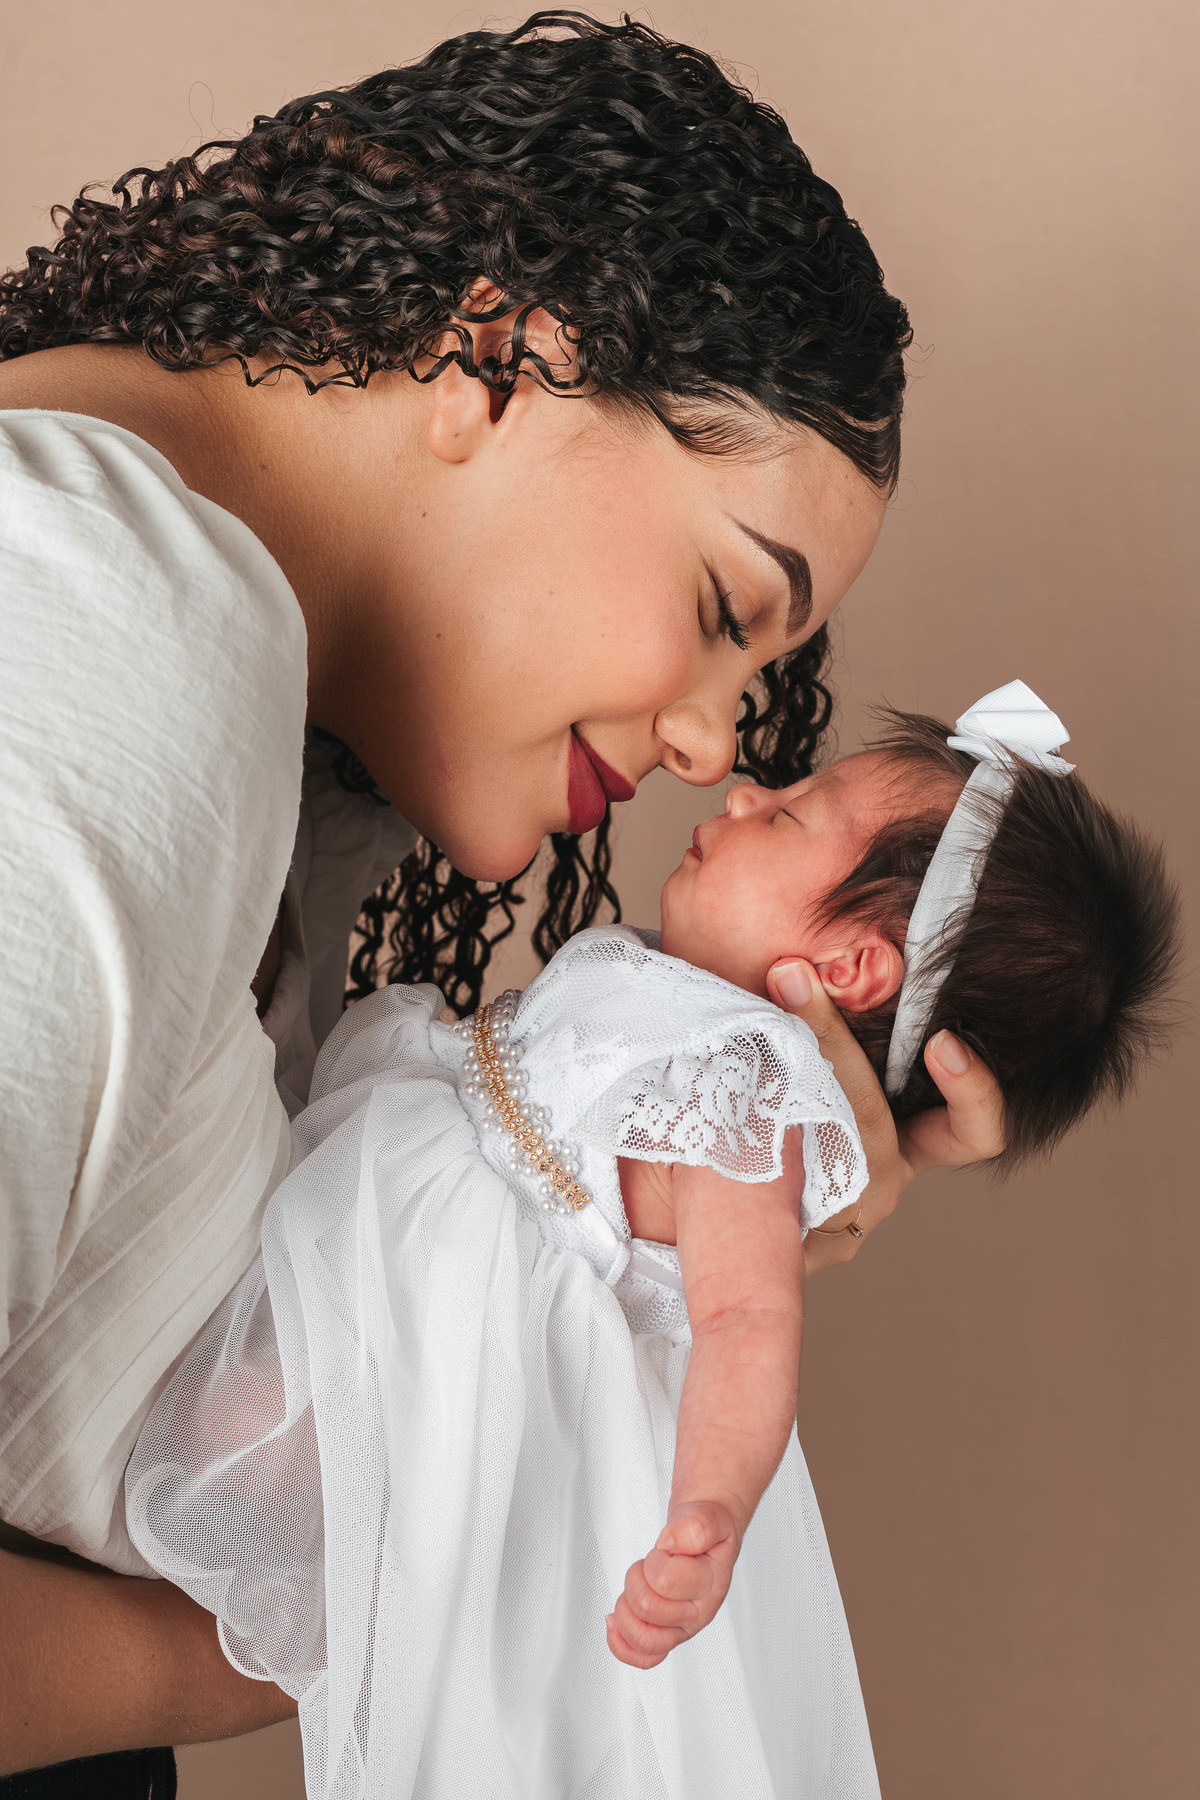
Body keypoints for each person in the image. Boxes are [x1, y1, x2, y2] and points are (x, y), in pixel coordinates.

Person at [0, 13, 1007, 1785]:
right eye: (726, 607)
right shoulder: (113, 627)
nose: (711, 745)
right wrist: (269, 1636)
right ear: (496, 355)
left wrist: (651, 1221)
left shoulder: (268, 739)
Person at [121, 684, 1177, 1800]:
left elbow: (747, 1316)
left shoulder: (747, 1086)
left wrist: (711, 1506)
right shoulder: (679, 999)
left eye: (788, 814)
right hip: (390, 1245)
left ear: (852, 968)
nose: (744, 789)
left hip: (440, 1343)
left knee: (230, 1431)